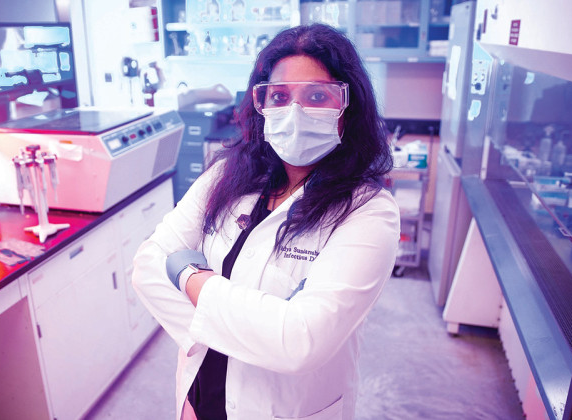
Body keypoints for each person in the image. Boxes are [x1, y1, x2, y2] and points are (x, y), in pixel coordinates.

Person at [132, 23, 400, 420]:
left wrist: (191, 277)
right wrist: (259, 327)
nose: (294, 111)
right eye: (278, 95)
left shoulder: (369, 211)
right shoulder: (226, 175)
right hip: (200, 399)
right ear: (261, 104)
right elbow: (148, 265)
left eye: (317, 96)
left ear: (348, 107)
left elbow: (299, 341)